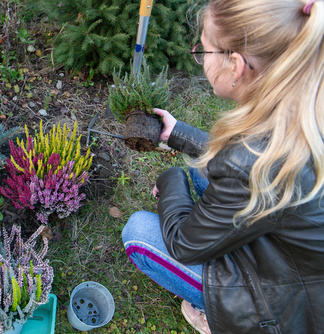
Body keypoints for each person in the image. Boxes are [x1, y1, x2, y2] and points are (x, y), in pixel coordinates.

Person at [121, 0, 324, 333]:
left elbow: (183, 244)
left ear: (236, 64)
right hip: (296, 259)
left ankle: (219, 316)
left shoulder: (258, 157)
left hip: (286, 299)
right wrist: (180, 134)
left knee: (139, 233)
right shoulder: (304, 97)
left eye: (203, 52)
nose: (201, 61)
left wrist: (173, 178)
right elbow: (239, 163)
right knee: (207, 173)